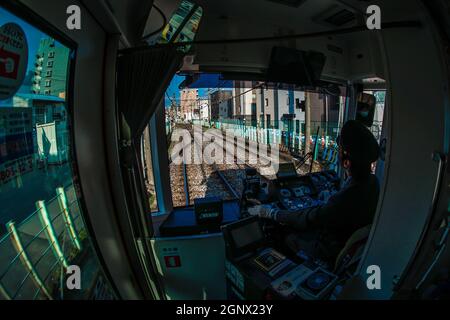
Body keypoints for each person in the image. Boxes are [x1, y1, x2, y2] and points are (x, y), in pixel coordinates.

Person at [248, 120, 381, 263]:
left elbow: (308, 218)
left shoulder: (347, 197)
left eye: (340, 148)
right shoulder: (372, 183)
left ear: (346, 159)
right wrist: (330, 198)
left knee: (284, 234)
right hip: (346, 244)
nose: (338, 152)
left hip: (328, 252)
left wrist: (270, 212)